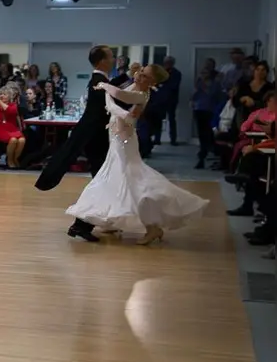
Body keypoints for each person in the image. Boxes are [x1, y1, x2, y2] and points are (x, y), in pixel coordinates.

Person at [65, 65, 209, 245]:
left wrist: (105, 89)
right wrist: (122, 83)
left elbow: (121, 105)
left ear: (152, 82)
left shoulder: (141, 95)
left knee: (132, 182)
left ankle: (151, 226)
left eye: (144, 75)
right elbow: (121, 95)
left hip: (124, 142)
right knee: (117, 181)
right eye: (140, 72)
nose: (139, 76)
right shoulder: (134, 87)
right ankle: (113, 220)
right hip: (117, 138)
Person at [37, 44, 117, 243]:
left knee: (103, 182)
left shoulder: (102, 81)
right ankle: (82, 224)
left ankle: (95, 222)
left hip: (95, 138)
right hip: (95, 139)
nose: (114, 60)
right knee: (102, 183)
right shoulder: (98, 81)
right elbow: (105, 109)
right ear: (102, 61)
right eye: (111, 56)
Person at [190, 58, 226, 169]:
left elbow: (214, 95)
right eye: (202, 73)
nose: (203, 75)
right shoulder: (199, 83)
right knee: (201, 133)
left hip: (210, 110)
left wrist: (206, 85)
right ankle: (202, 156)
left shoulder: (215, 83)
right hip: (199, 109)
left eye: (205, 73)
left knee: (209, 134)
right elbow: (194, 96)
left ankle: (210, 152)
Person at [0, 86, 26, 168]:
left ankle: (15, 159)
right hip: (0, 128)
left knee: (22, 140)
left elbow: (9, 110)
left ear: (9, 96)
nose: (1, 96)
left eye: (4, 94)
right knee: (13, 140)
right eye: (0, 94)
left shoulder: (13, 105)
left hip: (12, 128)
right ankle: (9, 160)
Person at [158, 55, 184, 145]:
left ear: (172, 63)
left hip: (171, 100)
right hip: (160, 99)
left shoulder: (177, 73)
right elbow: (156, 83)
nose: (167, 64)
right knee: (158, 119)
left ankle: (173, 139)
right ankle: (157, 139)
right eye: (166, 62)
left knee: (172, 120)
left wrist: (163, 83)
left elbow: (173, 86)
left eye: (169, 63)